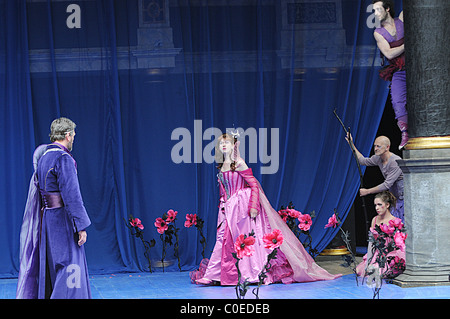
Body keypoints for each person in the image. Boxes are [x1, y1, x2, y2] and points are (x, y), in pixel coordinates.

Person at [193, 133, 341, 285]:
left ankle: (243, 273)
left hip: (242, 206)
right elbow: (224, 190)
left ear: (234, 145)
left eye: (227, 143)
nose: (224, 145)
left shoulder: (239, 163)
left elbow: (254, 185)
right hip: (228, 207)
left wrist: (253, 206)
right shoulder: (222, 165)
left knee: (242, 240)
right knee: (223, 239)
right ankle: (213, 275)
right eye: (221, 143)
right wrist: (222, 206)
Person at [16, 117, 91, 299]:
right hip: (63, 220)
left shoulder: (43, 158)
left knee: (54, 266)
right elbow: (72, 195)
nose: (73, 138)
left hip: (47, 220)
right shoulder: (63, 158)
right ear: (67, 135)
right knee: (70, 267)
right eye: (73, 135)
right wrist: (80, 226)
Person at [372, 1, 408, 149]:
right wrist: (407, 44)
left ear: (387, 9)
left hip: (417, 67)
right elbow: (389, 53)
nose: (375, 14)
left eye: (378, 10)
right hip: (399, 70)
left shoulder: (402, 19)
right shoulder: (378, 33)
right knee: (397, 101)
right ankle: (405, 133)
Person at [346, 134, 404, 222]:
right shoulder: (378, 158)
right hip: (394, 198)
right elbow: (363, 161)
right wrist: (351, 145)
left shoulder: (395, 162)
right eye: (375, 146)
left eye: (378, 146)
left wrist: (367, 191)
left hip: (403, 199)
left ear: (387, 147)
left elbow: (386, 185)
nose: (376, 148)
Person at [356, 191, 406, 278]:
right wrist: (368, 261)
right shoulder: (375, 220)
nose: (377, 208)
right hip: (377, 253)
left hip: (391, 254)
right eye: (375, 205)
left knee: (378, 272)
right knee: (361, 270)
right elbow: (371, 242)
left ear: (387, 205)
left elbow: (400, 243)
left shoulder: (396, 221)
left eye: (379, 204)